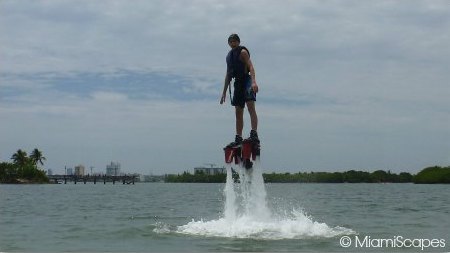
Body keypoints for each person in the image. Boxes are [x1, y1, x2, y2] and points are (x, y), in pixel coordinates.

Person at [220, 33, 259, 147]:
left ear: (238, 42)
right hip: (237, 83)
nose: (232, 44)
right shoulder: (229, 56)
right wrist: (224, 92)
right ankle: (238, 137)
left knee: (250, 106)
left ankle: (254, 132)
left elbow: (251, 67)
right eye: (230, 42)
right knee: (238, 111)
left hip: (246, 79)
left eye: (234, 41)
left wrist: (253, 82)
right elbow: (228, 74)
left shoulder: (243, 52)